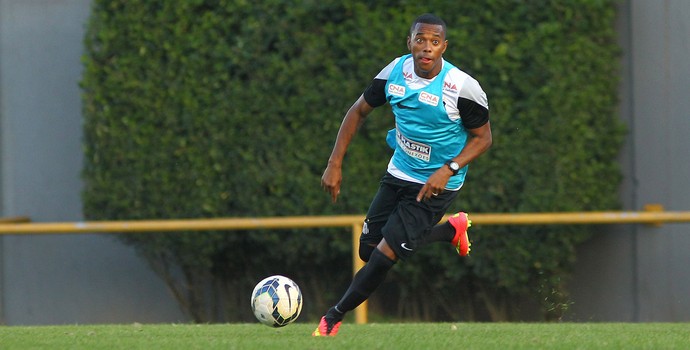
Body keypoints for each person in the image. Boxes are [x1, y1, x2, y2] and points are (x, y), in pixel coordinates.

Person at [313, 13, 492, 337]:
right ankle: (450, 230)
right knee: (368, 250)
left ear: (444, 47)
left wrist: (448, 168)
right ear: (409, 42)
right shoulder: (395, 72)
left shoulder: (463, 88)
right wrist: (334, 163)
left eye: (434, 42)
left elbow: (484, 139)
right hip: (400, 171)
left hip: (437, 185)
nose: (426, 48)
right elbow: (358, 112)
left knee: (384, 256)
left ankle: (332, 318)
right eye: (420, 40)